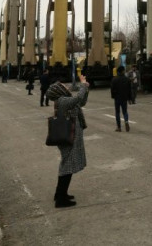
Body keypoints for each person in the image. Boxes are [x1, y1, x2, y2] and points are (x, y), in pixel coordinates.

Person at [46, 74, 90, 208]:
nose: (66, 86)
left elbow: (81, 102)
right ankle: (61, 199)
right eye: (63, 85)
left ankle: (60, 194)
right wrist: (83, 84)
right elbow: (79, 98)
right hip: (69, 137)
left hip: (69, 136)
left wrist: (85, 88)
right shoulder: (63, 101)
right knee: (67, 166)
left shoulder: (63, 100)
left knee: (67, 165)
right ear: (59, 90)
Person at [110, 66, 132, 132]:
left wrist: (113, 96)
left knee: (117, 112)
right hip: (124, 98)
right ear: (122, 71)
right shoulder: (127, 79)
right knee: (125, 111)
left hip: (117, 98)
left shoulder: (114, 79)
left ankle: (119, 127)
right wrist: (129, 98)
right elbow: (129, 90)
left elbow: (112, 89)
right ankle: (126, 121)